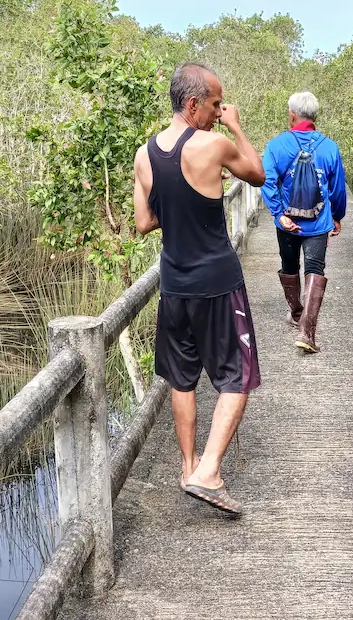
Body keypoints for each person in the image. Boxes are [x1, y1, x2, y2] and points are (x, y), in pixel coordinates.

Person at [132, 62, 265, 515]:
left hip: (174, 284)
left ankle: (188, 469)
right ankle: (209, 472)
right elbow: (257, 174)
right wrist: (236, 126)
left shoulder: (144, 154)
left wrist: (183, 203)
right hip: (218, 284)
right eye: (214, 104)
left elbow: (145, 221)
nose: (218, 111)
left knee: (182, 378)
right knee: (238, 375)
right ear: (192, 104)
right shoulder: (214, 145)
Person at [261, 91, 347, 353]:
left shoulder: (277, 145)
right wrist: (336, 216)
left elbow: (267, 180)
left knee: (289, 266)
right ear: (315, 116)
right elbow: (338, 189)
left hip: (287, 222)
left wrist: (279, 214)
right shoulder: (329, 147)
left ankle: (297, 312)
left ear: (292, 114)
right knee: (315, 269)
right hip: (318, 223)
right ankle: (307, 333)